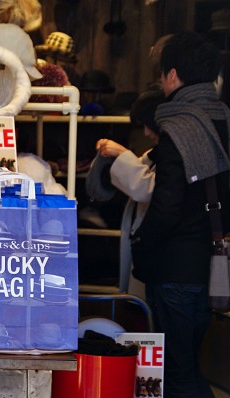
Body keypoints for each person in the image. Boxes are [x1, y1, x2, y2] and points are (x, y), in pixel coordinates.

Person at [131, 31, 230, 398]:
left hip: (175, 269)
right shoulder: (223, 119)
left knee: (178, 372)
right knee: (188, 362)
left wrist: (141, 243)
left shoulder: (178, 126)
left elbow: (167, 207)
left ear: (172, 75)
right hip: (211, 266)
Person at [87, 89, 166, 298]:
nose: (147, 133)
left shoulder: (173, 154)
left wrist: (121, 153)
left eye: (148, 126)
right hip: (149, 244)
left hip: (160, 249)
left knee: (147, 305)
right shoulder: (157, 153)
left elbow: (145, 188)